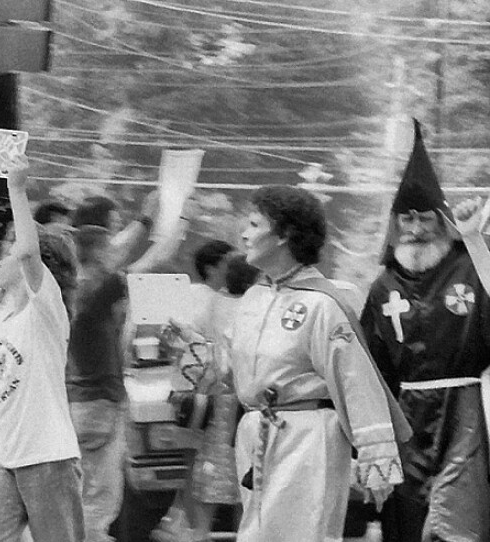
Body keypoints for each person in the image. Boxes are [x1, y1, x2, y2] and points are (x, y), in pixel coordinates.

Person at [171, 185, 410, 542]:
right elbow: (228, 370)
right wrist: (191, 347)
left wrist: (377, 456)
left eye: (254, 224)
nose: (244, 234)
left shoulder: (322, 304)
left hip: (307, 437)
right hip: (257, 435)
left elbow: (354, 379)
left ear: (284, 234)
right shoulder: (254, 298)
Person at [360, 120, 490, 542]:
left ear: (442, 220)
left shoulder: (469, 265)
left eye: (424, 218)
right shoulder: (384, 286)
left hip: (464, 412)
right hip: (406, 419)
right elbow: (370, 365)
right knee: (409, 520)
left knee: (459, 523)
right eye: (406, 218)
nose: (414, 228)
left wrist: (476, 241)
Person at [0, 155, 84, 542]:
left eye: (8, 252)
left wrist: (16, 188)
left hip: (48, 456)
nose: (4, 258)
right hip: (3, 458)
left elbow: (29, 251)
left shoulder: (45, 310)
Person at [67, 194, 187, 542]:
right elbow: (154, 258)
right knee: (100, 502)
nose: (115, 252)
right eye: (109, 247)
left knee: (83, 493)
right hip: (101, 405)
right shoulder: (98, 288)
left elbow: (118, 250)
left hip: (78, 402)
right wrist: (178, 222)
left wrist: (146, 222)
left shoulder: (76, 284)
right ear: (100, 250)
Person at [152, 240, 242, 542]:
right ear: (213, 266)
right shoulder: (210, 299)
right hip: (216, 396)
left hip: (198, 397)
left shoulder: (199, 297)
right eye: (228, 261)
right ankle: (189, 525)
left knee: (196, 463)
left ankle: (185, 524)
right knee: (208, 465)